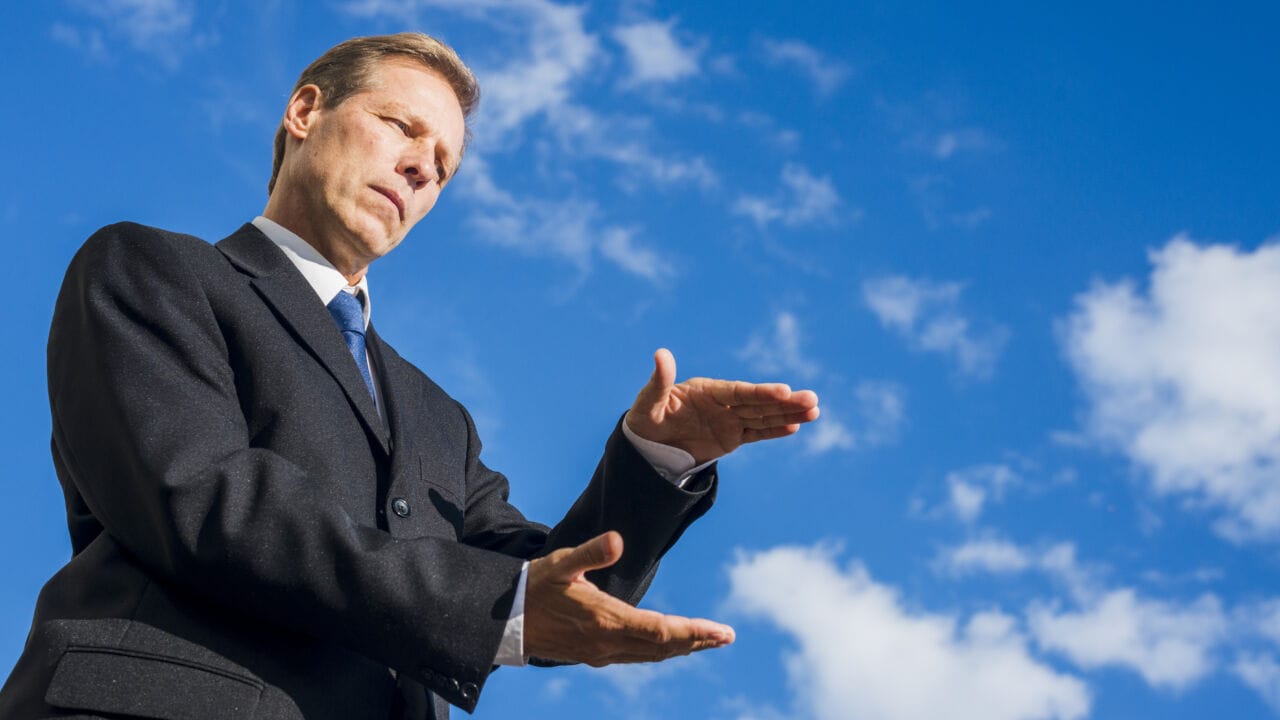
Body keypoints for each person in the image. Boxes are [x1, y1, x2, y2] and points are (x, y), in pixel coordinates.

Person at [0, 32, 819, 720]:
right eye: (400, 126)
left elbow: (555, 589)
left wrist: (654, 459)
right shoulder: (151, 269)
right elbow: (202, 497)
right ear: (305, 111)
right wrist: (501, 606)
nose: (422, 168)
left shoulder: (438, 417)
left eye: (444, 164)